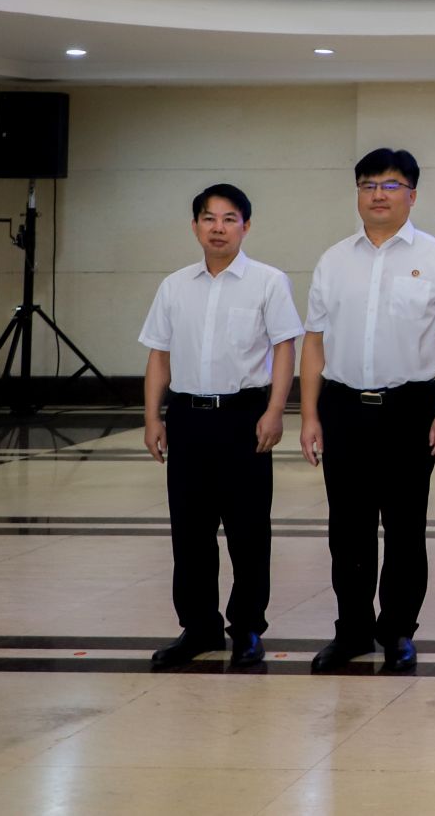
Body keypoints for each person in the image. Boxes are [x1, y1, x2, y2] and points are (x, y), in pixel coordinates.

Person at [298, 149, 435, 673]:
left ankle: (397, 630)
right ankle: (352, 630)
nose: (378, 194)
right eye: (368, 184)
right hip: (343, 406)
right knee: (347, 529)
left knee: (404, 527)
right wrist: (309, 415)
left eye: (391, 185)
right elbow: (314, 342)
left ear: (412, 195)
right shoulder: (333, 260)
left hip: (409, 408)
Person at [139, 183, 301, 668]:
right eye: (209, 218)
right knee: (190, 530)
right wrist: (152, 416)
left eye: (230, 219)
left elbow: (285, 348)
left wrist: (275, 410)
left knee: (248, 530)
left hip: (243, 417)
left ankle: (247, 626)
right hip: (187, 417)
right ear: (195, 226)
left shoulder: (268, 282)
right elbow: (159, 354)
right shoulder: (174, 286)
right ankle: (199, 627)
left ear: (246, 226)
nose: (218, 228)